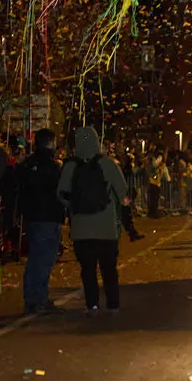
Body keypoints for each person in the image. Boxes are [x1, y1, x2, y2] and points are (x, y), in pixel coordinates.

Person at [58, 127, 129, 316]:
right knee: (109, 268)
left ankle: (92, 305)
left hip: (81, 229)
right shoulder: (108, 164)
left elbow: (61, 194)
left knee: (87, 269)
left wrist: (75, 206)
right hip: (106, 228)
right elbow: (123, 193)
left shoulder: (70, 167)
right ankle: (113, 305)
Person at [18, 128, 64, 314]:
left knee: (36, 257)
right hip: (48, 216)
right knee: (44, 258)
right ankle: (39, 298)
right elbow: (59, 190)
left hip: (34, 216)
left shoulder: (28, 164)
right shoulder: (51, 166)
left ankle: (32, 297)